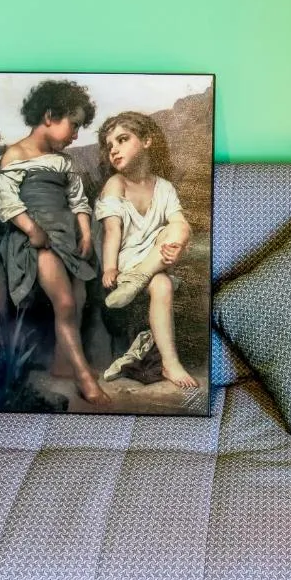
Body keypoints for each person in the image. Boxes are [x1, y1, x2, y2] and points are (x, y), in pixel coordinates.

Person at [0, 79, 111, 405]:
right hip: (35, 239)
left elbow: (78, 200)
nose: (76, 134)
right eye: (74, 124)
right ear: (48, 116)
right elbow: (4, 199)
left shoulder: (64, 162)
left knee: (79, 298)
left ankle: (62, 363)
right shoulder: (15, 154)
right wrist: (31, 229)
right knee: (65, 302)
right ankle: (84, 377)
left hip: (66, 237)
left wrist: (86, 233)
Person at [95, 111, 198, 389]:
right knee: (162, 281)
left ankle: (170, 364)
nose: (113, 149)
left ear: (147, 141)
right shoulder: (116, 183)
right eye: (109, 145)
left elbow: (179, 225)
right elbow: (112, 231)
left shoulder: (164, 187)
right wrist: (109, 267)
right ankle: (137, 279)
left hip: (155, 259)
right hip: (127, 264)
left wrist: (177, 248)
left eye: (122, 140)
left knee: (180, 228)